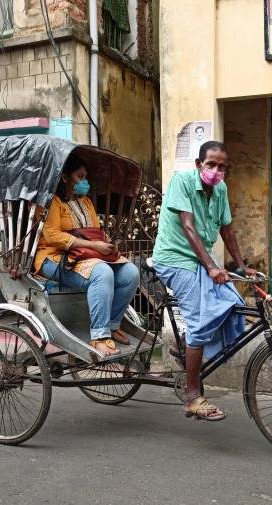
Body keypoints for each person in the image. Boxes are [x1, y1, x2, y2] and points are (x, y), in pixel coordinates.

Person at [153, 140, 257, 421]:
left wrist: (241, 266)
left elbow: (227, 229)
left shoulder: (220, 189)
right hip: (175, 259)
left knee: (230, 302)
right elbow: (188, 227)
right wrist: (212, 267)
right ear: (199, 164)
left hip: (199, 260)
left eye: (222, 166)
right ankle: (191, 397)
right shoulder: (181, 182)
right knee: (200, 320)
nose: (216, 170)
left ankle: (183, 343)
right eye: (211, 164)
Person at [34, 155, 140, 357]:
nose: (84, 182)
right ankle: (99, 336)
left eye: (86, 177)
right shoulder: (52, 202)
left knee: (131, 272)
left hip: (85, 255)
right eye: (79, 176)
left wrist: (108, 244)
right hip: (52, 258)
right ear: (65, 178)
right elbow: (54, 236)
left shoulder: (86, 203)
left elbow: (95, 230)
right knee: (102, 273)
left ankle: (112, 324)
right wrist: (94, 245)